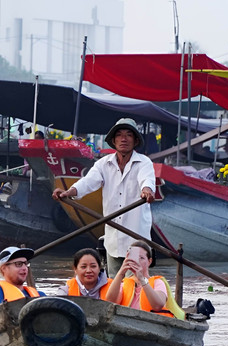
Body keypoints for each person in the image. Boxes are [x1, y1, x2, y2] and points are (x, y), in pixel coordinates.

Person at [51, 117, 156, 277]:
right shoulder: (103, 164)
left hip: (136, 239)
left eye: (128, 135)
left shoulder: (144, 163)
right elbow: (88, 182)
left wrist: (147, 190)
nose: (124, 139)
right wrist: (69, 192)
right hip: (113, 239)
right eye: (119, 135)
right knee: (113, 284)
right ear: (113, 141)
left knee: (134, 284)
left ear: (135, 141)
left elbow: (146, 180)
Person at [104, 240, 185, 319]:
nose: (137, 261)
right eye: (134, 257)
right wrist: (121, 273)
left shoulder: (158, 282)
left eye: (141, 258)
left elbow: (158, 306)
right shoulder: (124, 283)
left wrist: (142, 280)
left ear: (149, 261)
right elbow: (110, 300)